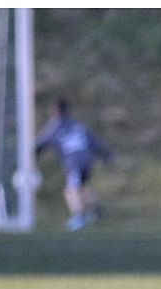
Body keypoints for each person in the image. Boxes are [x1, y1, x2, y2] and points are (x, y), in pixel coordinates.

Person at [35, 97, 114, 231]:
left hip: (74, 162)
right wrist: (107, 155)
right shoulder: (77, 125)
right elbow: (94, 141)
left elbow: (42, 143)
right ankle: (97, 209)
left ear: (55, 111)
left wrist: (34, 153)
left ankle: (79, 218)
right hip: (87, 161)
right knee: (81, 188)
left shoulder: (55, 126)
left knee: (70, 191)